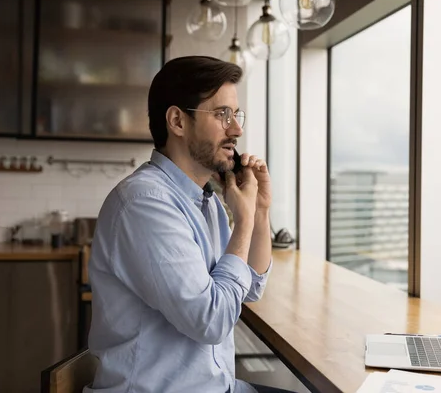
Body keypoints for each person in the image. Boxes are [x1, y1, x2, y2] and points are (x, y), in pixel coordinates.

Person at [85, 56, 294, 393]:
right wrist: (241, 224)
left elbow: (250, 286)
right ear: (178, 121)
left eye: (236, 115)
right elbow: (211, 321)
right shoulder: (145, 203)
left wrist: (258, 211)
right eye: (222, 114)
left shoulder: (204, 200)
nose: (237, 129)